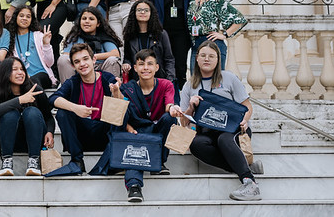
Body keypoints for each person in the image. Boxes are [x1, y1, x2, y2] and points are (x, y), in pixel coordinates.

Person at [180, 40, 262, 201]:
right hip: (207, 131)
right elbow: (184, 122)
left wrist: (245, 121)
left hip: (234, 128)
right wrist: (191, 106)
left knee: (224, 139)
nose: (207, 59)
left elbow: (247, 107)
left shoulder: (229, 78)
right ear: (196, 58)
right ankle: (247, 166)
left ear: (218, 59)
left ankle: (249, 183)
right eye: (203, 55)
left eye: (211, 56)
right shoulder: (189, 85)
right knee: (195, 144)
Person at [114, 49, 181, 203]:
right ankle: (134, 186)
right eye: (141, 64)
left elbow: (168, 105)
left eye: (150, 64)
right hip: (137, 133)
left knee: (169, 119)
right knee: (136, 143)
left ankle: (160, 161)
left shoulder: (166, 85)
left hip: (157, 132)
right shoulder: (127, 88)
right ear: (135, 68)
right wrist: (128, 127)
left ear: (157, 67)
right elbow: (120, 112)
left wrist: (173, 109)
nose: (145, 68)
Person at [50, 43, 119, 173]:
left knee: (122, 113)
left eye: (85, 59)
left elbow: (121, 106)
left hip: (103, 132)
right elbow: (53, 99)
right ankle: (77, 160)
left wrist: (116, 93)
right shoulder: (73, 82)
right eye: (77, 61)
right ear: (73, 66)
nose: (82, 64)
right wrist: (75, 108)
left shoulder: (107, 78)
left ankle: (109, 160)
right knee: (62, 113)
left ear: (93, 60)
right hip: (81, 136)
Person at [0, 57, 55, 177]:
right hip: (10, 142)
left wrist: (50, 132)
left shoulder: (35, 90)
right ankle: (7, 162)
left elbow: (48, 117)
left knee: (31, 111)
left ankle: (34, 161)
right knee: (10, 114)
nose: (20, 72)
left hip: (35, 140)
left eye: (22, 69)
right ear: (5, 73)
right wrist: (19, 100)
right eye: (15, 69)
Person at [187, 0, 248, 72]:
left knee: (215, 84)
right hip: (196, 45)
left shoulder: (218, 0)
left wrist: (224, 34)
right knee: (195, 83)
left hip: (213, 44)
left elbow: (240, 20)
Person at [148, 0, 194, 89]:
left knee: (180, 65)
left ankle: (180, 95)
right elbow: (149, 5)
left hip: (182, 30)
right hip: (162, 29)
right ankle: (167, 95)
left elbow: (192, 2)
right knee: (164, 64)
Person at [57, 6, 122, 83]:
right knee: (63, 59)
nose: (87, 21)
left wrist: (92, 57)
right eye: (84, 19)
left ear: (98, 23)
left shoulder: (104, 36)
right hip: (79, 70)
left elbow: (115, 53)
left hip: (100, 70)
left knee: (113, 60)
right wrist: (82, 61)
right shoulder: (74, 37)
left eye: (91, 19)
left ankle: (110, 92)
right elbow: (66, 55)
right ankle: (69, 91)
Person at [121, 0, 175, 83]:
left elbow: (169, 59)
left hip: (159, 78)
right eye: (139, 10)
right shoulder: (129, 35)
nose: (143, 12)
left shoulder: (161, 34)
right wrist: (126, 64)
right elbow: (127, 57)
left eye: (146, 10)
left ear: (151, 13)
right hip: (137, 80)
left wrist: (169, 80)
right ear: (134, 13)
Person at [6, 5, 56, 90]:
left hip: (42, 75)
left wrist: (46, 45)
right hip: (22, 78)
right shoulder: (11, 39)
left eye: (28, 16)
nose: (24, 18)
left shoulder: (39, 36)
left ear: (31, 20)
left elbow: (50, 63)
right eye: (21, 16)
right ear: (16, 18)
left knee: (34, 81)